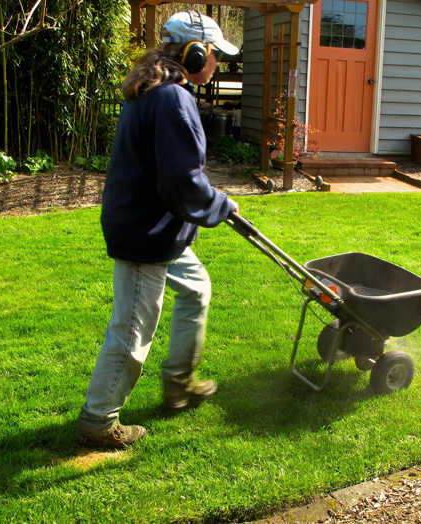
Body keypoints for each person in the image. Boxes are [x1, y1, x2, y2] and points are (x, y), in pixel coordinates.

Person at [77, 11, 241, 449]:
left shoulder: (155, 90)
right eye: (213, 55)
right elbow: (182, 182)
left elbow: (174, 174)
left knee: (197, 289)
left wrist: (210, 203)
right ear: (193, 52)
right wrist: (220, 204)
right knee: (132, 330)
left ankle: (179, 384)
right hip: (145, 232)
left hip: (161, 228)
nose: (216, 64)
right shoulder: (171, 98)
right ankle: (98, 421)